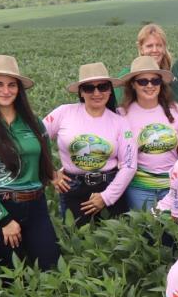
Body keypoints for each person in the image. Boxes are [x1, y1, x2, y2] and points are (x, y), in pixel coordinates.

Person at [0, 55, 59, 270]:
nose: (5, 91)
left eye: (11, 85)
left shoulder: (35, 124)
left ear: (19, 89)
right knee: (11, 275)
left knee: (50, 266)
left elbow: (45, 161)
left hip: (36, 205)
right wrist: (4, 219)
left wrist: (55, 175)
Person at [45, 63, 137, 224]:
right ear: (81, 91)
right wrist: (50, 173)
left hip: (110, 186)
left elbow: (129, 164)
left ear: (110, 90)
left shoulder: (120, 122)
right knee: (77, 240)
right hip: (72, 187)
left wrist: (106, 197)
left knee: (114, 243)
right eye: (89, 88)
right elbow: (34, 139)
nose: (97, 93)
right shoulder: (63, 112)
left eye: (102, 87)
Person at [119, 55, 178, 211]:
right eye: (142, 81)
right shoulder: (122, 114)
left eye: (155, 81)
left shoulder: (176, 110)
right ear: (133, 84)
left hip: (172, 185)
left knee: (173, 230)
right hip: (139, 187)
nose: (150, 85)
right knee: (145, 230)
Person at [114, 22, 174, 104]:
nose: (155, 50)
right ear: (141, 49)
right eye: (149, 46)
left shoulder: (169, 75)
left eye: (159, 45)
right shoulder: (127, 75)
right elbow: (118, 106)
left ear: (164, 47)